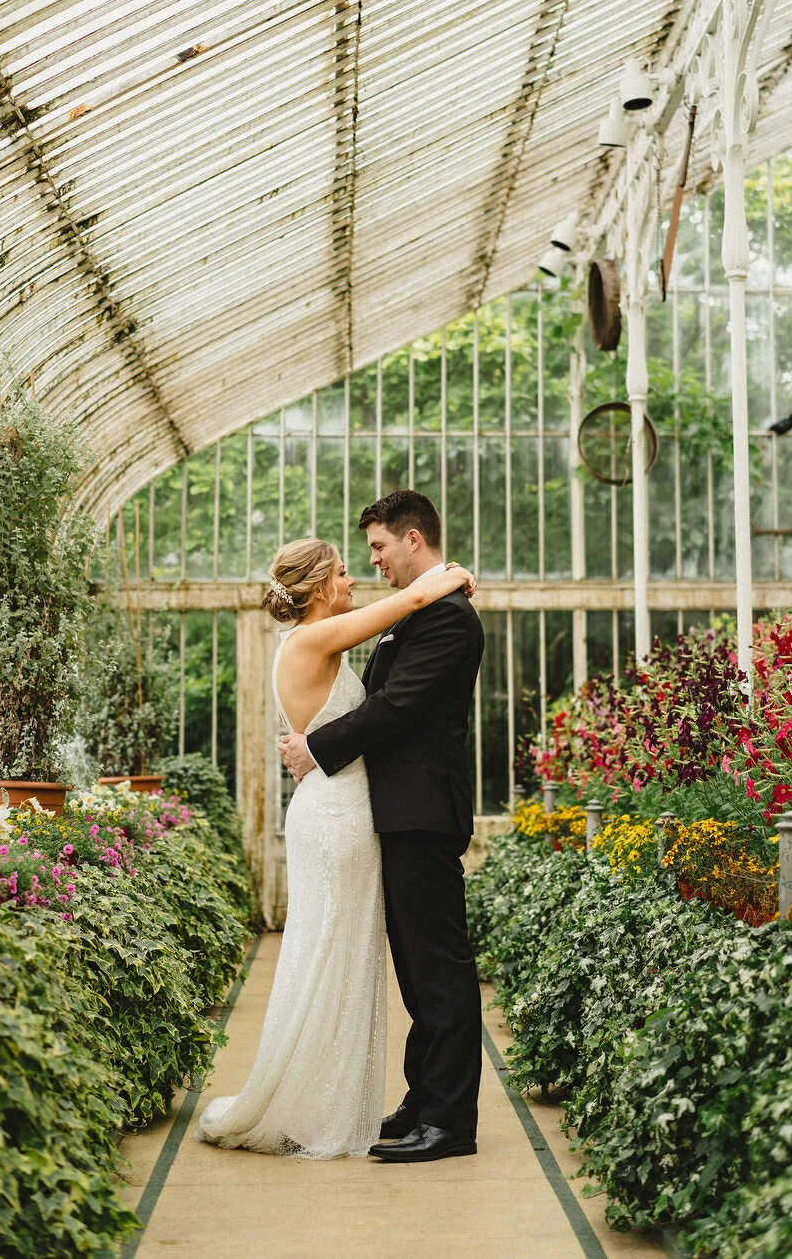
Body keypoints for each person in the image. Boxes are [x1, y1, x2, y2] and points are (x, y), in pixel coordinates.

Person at [196, 533, 475, 1159]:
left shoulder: (318, 640)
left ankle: (345, 1097)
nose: (357, 578)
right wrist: (452, 575)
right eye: (346, 571)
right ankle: (319, 1101)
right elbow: (407, 603)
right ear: (322, 585)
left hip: (345, 809)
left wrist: (315, 747)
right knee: (331, 953)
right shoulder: (318, 636)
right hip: (337, 817)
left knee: (340, 953)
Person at [280, 490, 485, 1164]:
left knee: (440, 970)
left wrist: (316, 748)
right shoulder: (415, 615)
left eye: (379, 547)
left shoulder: (448, 618)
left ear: (414, 541)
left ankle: (450, 1123)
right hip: (395, 813)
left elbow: (395, 707)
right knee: (416, 971)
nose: (373, 562)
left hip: (424, 814)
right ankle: (424, 1097)